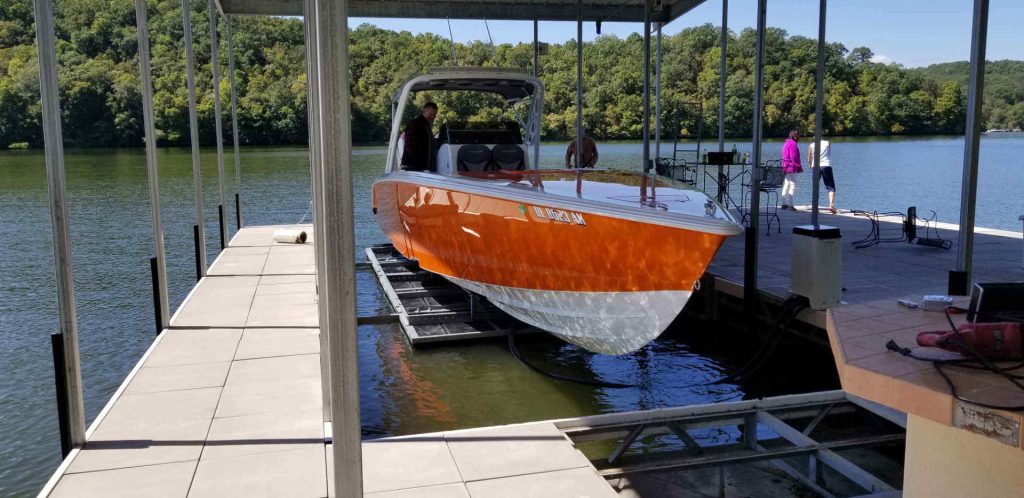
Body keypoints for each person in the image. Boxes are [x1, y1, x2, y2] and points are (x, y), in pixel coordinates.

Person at [401, 102, 438, 171]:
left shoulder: (426, 125)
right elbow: (410, 146)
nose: (432, 117)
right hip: (413, 167)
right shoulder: (415, 124)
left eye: (434, 115)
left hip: (420, 167)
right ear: (424, 110)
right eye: (431, 114)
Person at [807, 137, 837, 214]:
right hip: (826, 165)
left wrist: (810, 165)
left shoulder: (811, 145)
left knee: (815, 187)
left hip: (815, 167)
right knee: (830, 186)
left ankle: (815, 207)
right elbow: (829, 153)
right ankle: (831, 205)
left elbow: (809, 158)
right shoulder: (828, 143)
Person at [780, 130, 802, 211]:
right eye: (798, 136)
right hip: (791, 167)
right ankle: (790, 205)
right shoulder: (793, 144)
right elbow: (794, 157)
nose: (799, 138)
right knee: (793, 185)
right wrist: (798, 166)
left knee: (786, 184)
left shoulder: (786, 143)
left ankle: (784, 204)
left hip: (785, 166)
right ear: (795, 136)